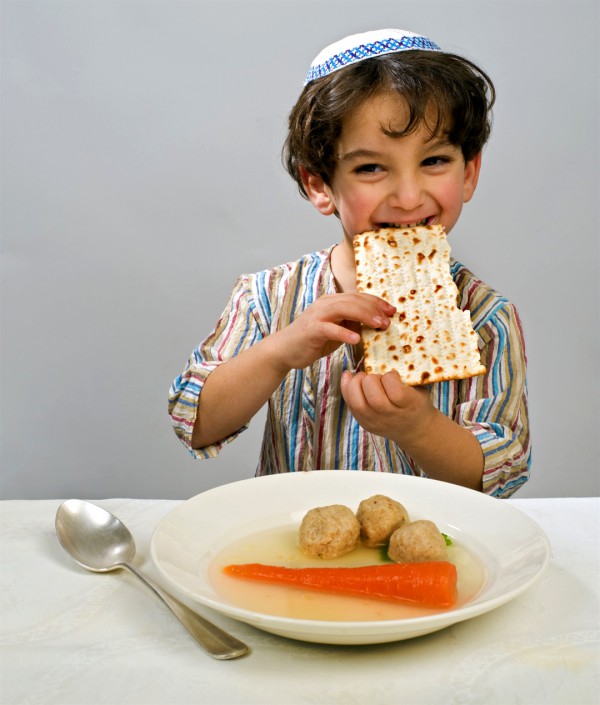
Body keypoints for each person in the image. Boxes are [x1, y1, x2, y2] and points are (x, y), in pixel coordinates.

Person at [168, 28, 530, 498]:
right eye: (370, 168)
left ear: (469, 173)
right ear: (320, 185)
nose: (407, 195)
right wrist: (281, 351)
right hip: (296, 544)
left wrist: (416, 426)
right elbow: (192, 420)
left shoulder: (486, 317)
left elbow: (499, 474)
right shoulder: (268, 296)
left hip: (425, 556)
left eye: (435, 160)